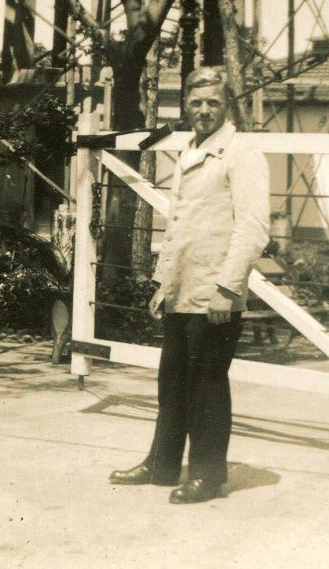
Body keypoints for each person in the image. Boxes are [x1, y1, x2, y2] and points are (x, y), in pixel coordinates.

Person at [109, 66, 271, 504]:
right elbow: (179, 224)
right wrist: (162, 282)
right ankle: (161, 465)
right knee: (172, 382)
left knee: (207, 384)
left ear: (226, 105)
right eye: (196, 102)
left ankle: (207, 474)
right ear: (186, 105)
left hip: (215, 292)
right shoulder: (189, 151)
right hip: (182, 287)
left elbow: (253, 229)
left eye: (212, 102)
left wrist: (228, 289)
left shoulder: (242, 154)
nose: (203, 110)